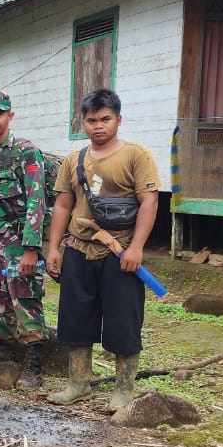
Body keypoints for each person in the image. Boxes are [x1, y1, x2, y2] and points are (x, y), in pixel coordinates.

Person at [45, 88, 159, 411]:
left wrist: (136, 247)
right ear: (83, 122)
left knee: (124, 320)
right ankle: (78, 384)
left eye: (105, 119)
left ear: (118, 120)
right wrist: (54, 248)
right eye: (92, 120)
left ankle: (124, 390)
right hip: (78, 249)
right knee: (75, 318)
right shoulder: (74, 160)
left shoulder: (137, 156)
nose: (98, 126)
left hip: (120, 251)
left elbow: (149, 202)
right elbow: (63, 205)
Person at [0, 90, 50, 389]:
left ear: (10, 116)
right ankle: (2, 356)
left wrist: (31, 248)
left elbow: (36, 201)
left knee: (23, 293)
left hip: (19, 240)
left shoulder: (25, 152)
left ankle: (33, 361)